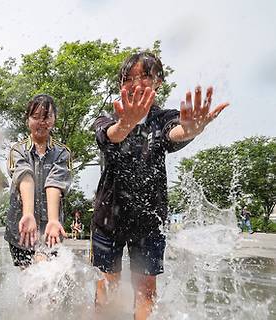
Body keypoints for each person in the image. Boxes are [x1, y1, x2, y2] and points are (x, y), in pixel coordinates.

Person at [91, 51, 230, 320]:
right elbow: (111, 136)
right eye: (129, 78)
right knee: (109, 284)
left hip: (149, 218)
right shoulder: (108, 117)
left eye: (145, 76)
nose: (136, 83)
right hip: (109, 218)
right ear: (122, 84)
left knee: (146, 290)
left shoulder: (163, 118)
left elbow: (175, 132)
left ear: (158, 82)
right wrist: (127, 123)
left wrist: (191, 129)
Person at [5, 94, 72, 268]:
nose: (41, 123)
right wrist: (28, 214)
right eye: (35, 117)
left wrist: (52, 219)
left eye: (46, 117)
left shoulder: (62, 152)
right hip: (22, 229)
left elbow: (54, 184)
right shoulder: (17, 150)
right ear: (27, 119)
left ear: (54, 119)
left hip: (50, 229)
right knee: (30, 284)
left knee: (48, 283)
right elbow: (25, 177)